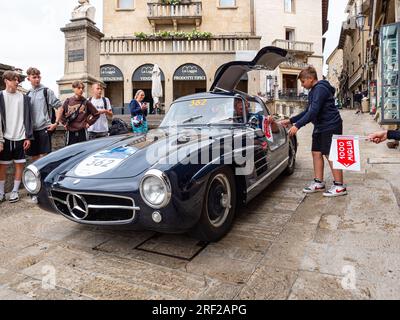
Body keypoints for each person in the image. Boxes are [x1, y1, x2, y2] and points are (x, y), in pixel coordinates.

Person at [280, 66, 347, 197]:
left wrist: (298, 125)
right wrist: (291, 121)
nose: (302, 85)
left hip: (330, 125)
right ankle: (318, 182)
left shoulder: (320, 89)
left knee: (330, 154)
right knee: (316, 152)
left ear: (311, 79)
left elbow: (313, 111)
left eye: (303, 82)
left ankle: (339, 186)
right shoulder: (313, 91)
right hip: (320, 126)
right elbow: (307, 111)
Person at [0, 71, 33, 203]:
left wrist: (28, 137)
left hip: (20, 137)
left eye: (18, 79)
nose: (17, 82)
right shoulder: (0, 96)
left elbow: (28, 119)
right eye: (14, 79)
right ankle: (1, 193)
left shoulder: (24, 98)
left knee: (20, 165)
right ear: (6, 81)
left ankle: (14, 191)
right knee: (2, 166)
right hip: (5, 138)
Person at [60, 81, 100, 146]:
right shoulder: (68, 101)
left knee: (83, 151)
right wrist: (64, 123)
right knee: (71, 152)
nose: (81, 90)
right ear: (73, 88)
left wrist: (88, 123)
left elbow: (96, 114)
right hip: (70, 132)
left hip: (82, 132)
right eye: (79, 88)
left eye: (82, 88)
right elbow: (61, 113)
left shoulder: (86, 102)